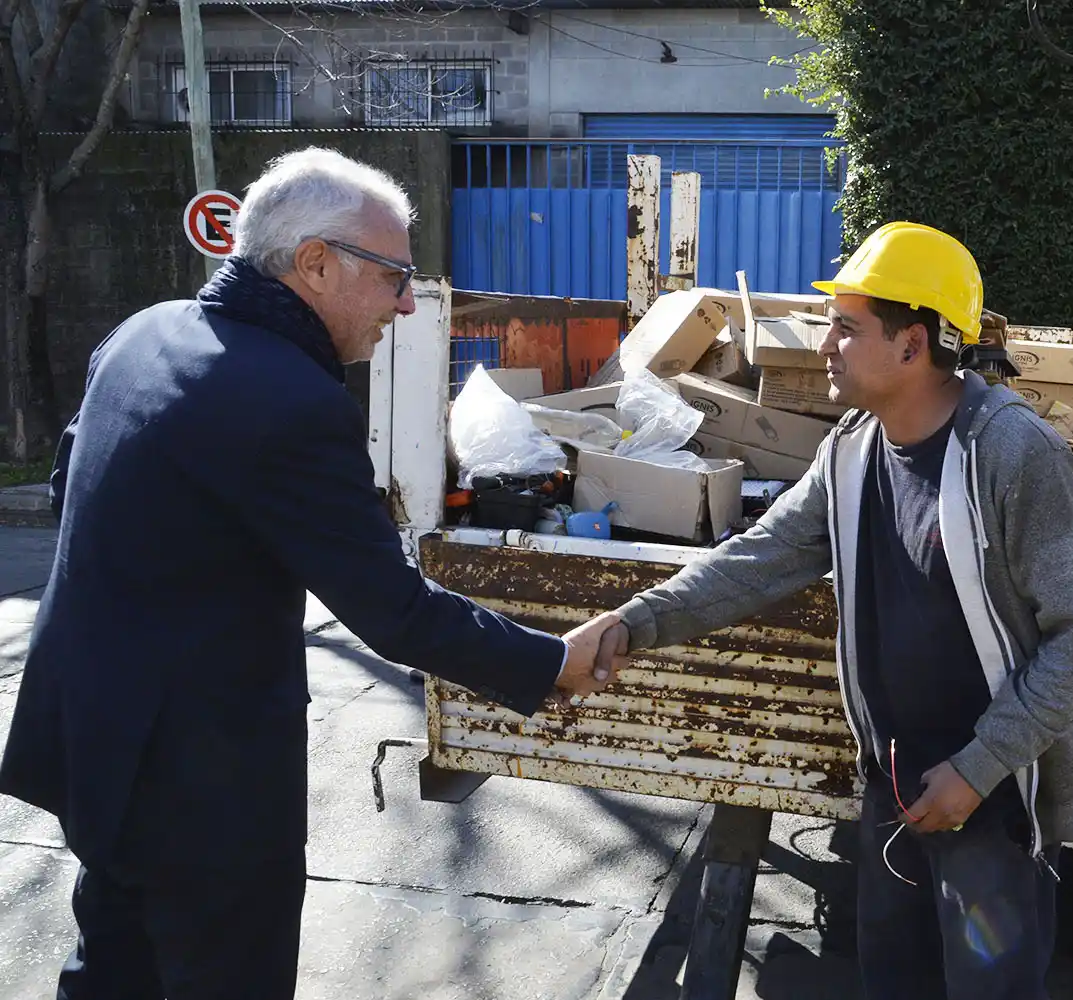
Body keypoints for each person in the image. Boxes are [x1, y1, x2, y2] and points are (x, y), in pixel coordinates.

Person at [0, 147, 627, 1000]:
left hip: (93, 747)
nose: (408, 303)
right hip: (203, 796)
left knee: (112, 968)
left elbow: (69, 478)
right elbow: (395, 611)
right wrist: (551, 662)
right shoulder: (291, 403)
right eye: (395, 276)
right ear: (315, 263)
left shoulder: (146, 331)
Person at [589, 221, 1073, 999]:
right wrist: (633, 621)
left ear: (912, 344)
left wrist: (975, 773)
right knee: (891, 981)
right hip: (895, 788)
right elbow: (760, 559)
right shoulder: (853, 446)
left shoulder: (1012, 453)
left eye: (845, 326)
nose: (824, 344)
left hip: (993, 800)